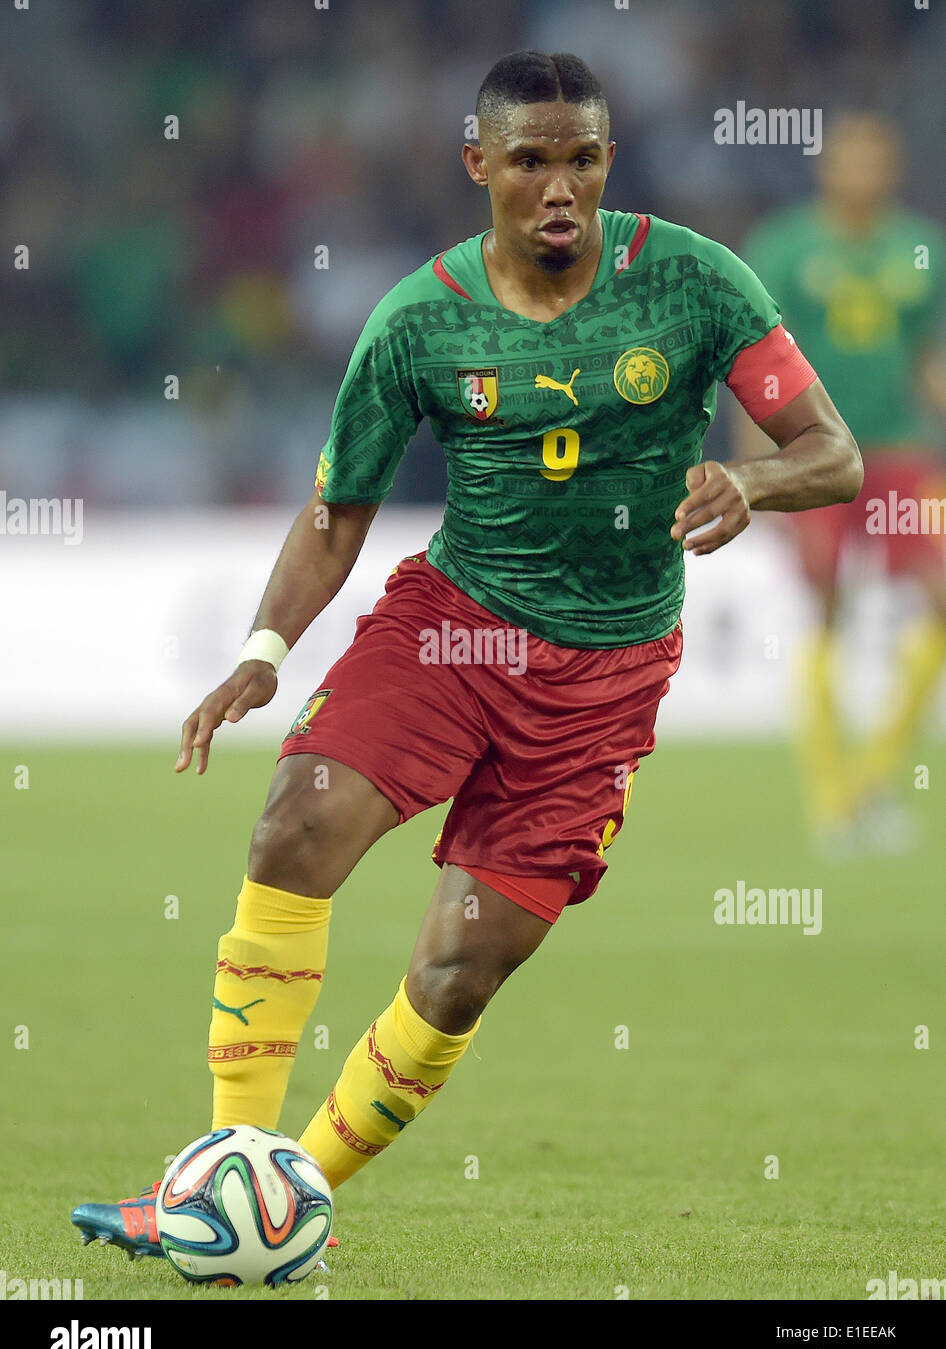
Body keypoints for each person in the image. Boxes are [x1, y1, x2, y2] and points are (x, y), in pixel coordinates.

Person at [71, 50, 861, 1262]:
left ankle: (285, 1203)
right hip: (455, 626)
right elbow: (339, 509)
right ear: (477, 163)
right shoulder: (418, 321)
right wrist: (265, 649)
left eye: (583, 160)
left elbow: (834, 454)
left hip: (606, 676)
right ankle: (221, 1178)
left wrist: (752, 476)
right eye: (532, 160)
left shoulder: (697, 285)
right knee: (294, 822)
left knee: (456, 973)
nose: (560, 188)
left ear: (608, 163)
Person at [738, 113, 946, 850]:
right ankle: (833, 804)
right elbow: (752, 367)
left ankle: (872, 782)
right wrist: (757, 477)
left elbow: (930, 361)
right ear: (827, 169)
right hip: (816, 451)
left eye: (877, 160)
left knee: (940, 600)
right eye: (852, 160)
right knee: (827, 603)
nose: (865, 173)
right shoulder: (786, 248)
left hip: (900, 453)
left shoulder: (922, 249)